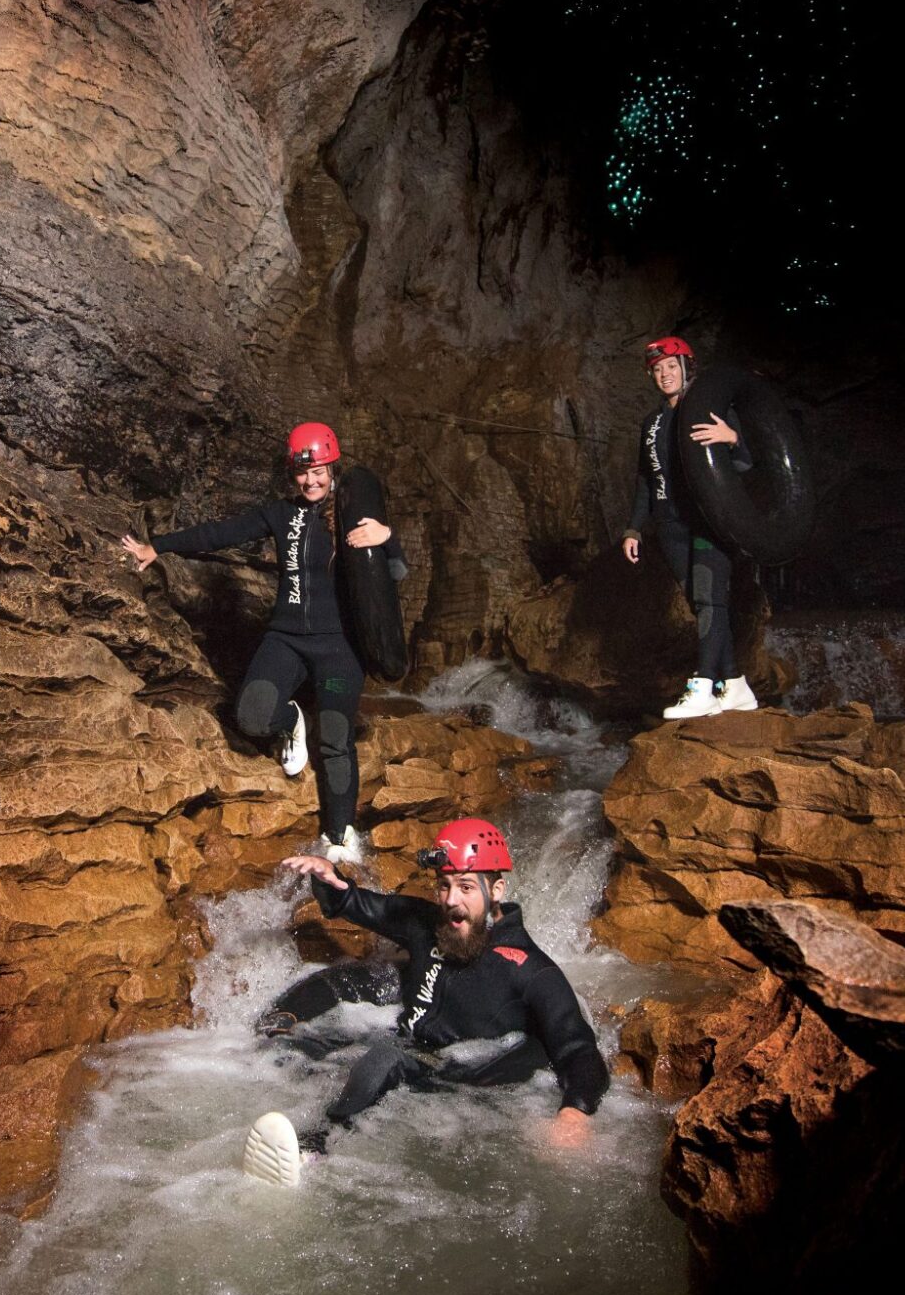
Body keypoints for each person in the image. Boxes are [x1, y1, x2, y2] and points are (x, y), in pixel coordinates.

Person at [238, 817, 608, 1186]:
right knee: (304, 1044)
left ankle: (313, 1148)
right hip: (408, 1046)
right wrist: (328, 880)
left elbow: (578, 1048)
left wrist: (575, 1113)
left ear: (496, 890)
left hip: (460, 1082)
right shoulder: (429, 923)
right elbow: (360, 904)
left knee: (384, 1058)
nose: (451, 901)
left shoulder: (530, 969)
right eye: (444, 886)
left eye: (465, 887)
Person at [119, 423, 389, 866]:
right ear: (292, 475)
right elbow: (220, 533)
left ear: (332, 467)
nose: (311, 480)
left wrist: (386, 538)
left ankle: (339, 838)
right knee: (251, 714)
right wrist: (158, 548)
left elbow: (389, 577)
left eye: (319, 470)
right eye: (302, 473)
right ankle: (291, 720)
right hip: (285, 639)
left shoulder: (354, 514)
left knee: (337, 741)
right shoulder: (280, 514)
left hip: (340, 648)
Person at [624, 335, 758, 719]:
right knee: (704, 606)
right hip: (670, 527)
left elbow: (746, 464)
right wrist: (633, 528)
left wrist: (733, 439)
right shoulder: (652, 423)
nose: (664, 374)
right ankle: (733, 685)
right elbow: (644, 481)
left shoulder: (708, 409)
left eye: (671, 367)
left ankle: (701, 686)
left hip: (708, 523)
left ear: (686, 367)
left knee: (709, 599)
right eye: (657, 369)